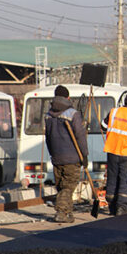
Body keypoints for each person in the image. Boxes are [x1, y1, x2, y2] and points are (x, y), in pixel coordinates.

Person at [44, 95, 87, 223]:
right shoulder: (73, 114)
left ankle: (68, 213)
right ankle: (61, 212)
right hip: (72, 157)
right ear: (68, 99)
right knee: (68, 186)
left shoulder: (48, 115)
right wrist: (84, 155)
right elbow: (80, 136)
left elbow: (48, 138)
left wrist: (52, 153)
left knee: (61, 186)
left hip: (56, 157)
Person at [102, 90, 127, 215]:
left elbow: (103, 125)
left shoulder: (114, 112)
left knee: (112, 177)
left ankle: (111, 203)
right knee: (125, 180)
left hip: (112, 149)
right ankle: (122, 207)